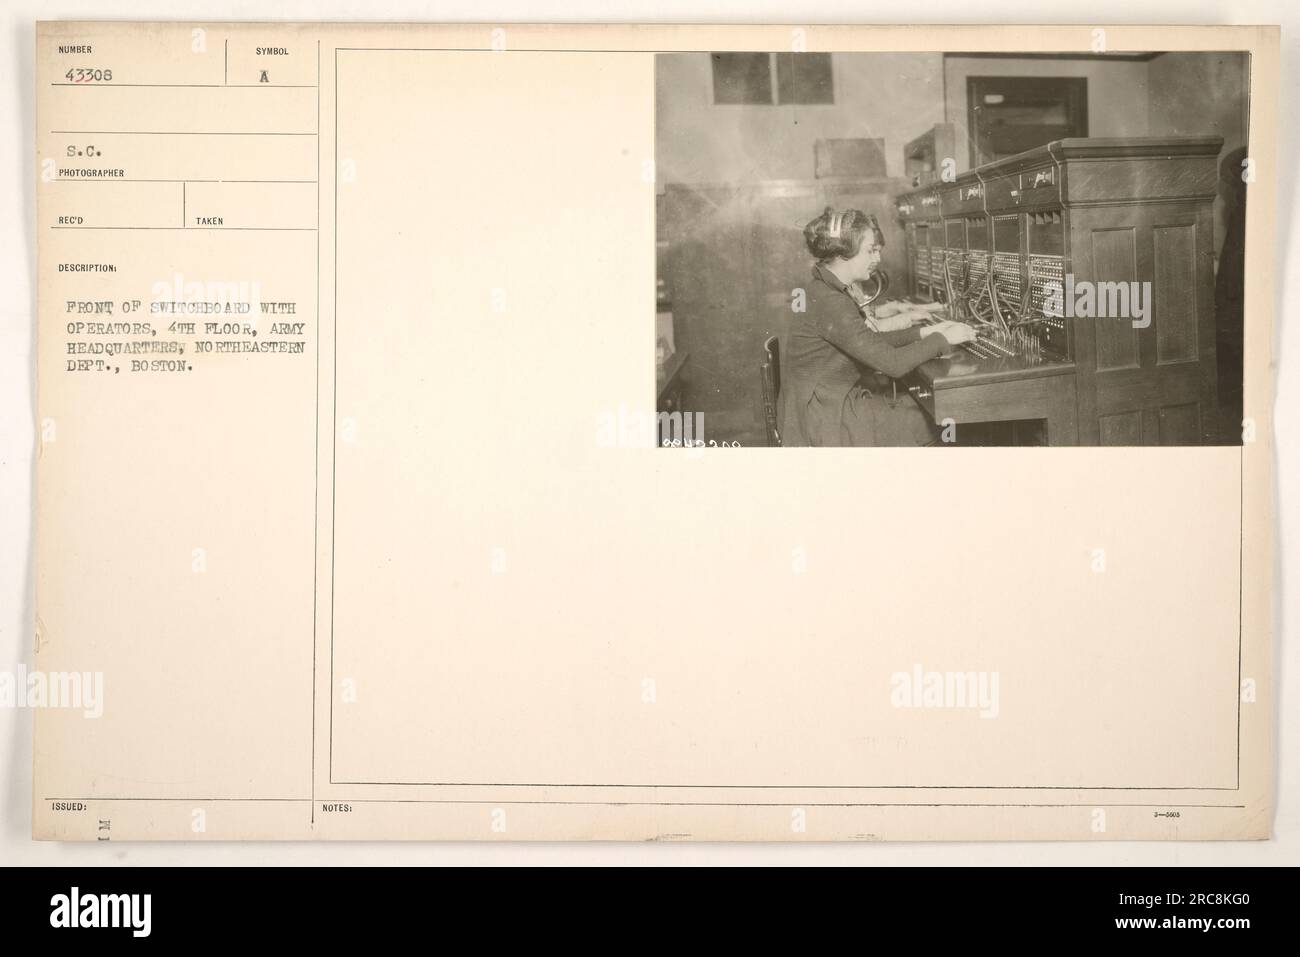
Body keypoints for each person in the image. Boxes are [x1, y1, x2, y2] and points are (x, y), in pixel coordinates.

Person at [780, 207, 976, 446]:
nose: (877, 259)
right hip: (827, 420)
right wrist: (942, 340)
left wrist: (924, 332)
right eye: (870, 251)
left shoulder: (826, 289)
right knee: (934, 419)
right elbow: (892, 364)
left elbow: (868, 342)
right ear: (844, 254)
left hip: (827, 404)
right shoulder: (831, 301)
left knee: (920, 411)